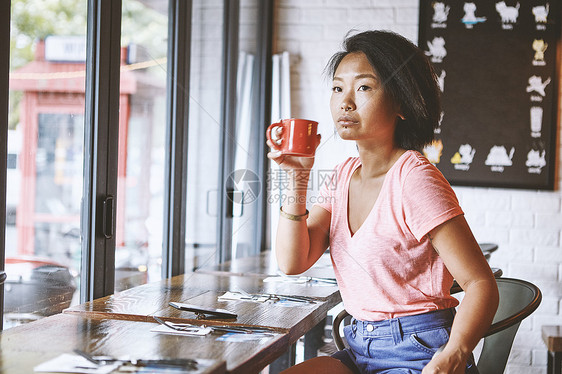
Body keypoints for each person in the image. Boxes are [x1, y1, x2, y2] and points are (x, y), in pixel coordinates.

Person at [266, 30, 499, 374]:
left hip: (420, 353)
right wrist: (297, 177)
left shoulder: (414, 178)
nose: (345, 101)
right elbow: (292, 261)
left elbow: (481, 283)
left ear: (402, 103)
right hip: (359, 346)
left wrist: (453, 354)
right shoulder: (344, 174)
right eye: (337, 88)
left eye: (363, 87)